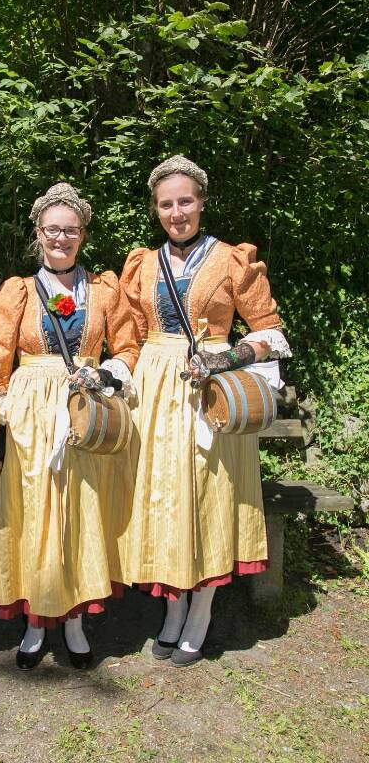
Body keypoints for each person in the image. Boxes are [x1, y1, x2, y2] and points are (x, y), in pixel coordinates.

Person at [120, 155, 291, 667]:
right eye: (167, 203)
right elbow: (128, 335)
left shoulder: (232, 260)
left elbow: (271, 333)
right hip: (154, 389)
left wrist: (231, 355)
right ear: (156, 208)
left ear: (202, 202)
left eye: (186, 201)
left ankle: (200, 615)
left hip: (209, 391)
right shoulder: (142, 265)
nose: (177, 212)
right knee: (165, 497)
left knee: (206, 493)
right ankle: (173, 611)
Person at [0, 183, 139, 670]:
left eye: (71, 231)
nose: (61, 238)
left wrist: (105, 372)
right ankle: (34, 620)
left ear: (83, 235)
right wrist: (1, 419)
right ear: (38, 233)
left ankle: (74, 620)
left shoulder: (103, 290)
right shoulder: (16, 291)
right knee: (33, 509)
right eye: (53, 229)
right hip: (31, 413)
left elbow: (129, 348)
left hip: (85, 409)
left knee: (82, 510)